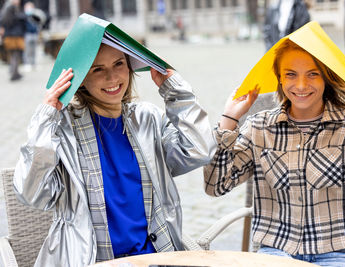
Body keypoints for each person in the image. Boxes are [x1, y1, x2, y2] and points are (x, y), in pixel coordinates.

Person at [13, 42, 216, 266]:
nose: (112, 77)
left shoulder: (148, 119)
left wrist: (175, 90)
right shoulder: (64, 130)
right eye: (97, 69)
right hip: (91, 260)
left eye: (119, 63)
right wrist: (46, 116)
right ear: (80, 79)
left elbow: (200, 149)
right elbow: (32, 193)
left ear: (129, 67)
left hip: (155, 257)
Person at [203, 40, 345, 266]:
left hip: (336, 255)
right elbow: (215, 186)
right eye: (291, 74)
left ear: (326, 77)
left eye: (313, 74)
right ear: (280, 78)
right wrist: (229, 119)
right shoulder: (260, 126)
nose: (301, 85)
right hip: (275, 253)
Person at [0, 0, 26, 81]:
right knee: (16, 54)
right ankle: (14, 73)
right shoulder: (11, 7)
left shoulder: (6, 7)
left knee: (13, 55)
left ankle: (15, 72)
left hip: (10, 34)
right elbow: (11, 20)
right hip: (14, 35)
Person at [23, 1, 46, 71]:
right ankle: (27, 64)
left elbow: (41, 21)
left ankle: (33, 64)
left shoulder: (35, 15)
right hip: (27, 34)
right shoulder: (24, 16)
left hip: (34, 34)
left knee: (34, 50)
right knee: (27, 51)